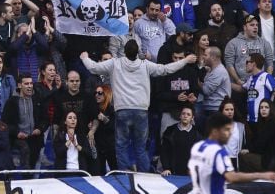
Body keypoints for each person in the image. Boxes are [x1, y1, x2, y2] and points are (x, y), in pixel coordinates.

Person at [80, 40, 197, 172]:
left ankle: (124, 175)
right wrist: (185, 60)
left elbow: (94, 67)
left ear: (124, 51)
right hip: (141, 111)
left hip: (122, 111)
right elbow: (166, 69)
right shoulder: (145, 64)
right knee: (140, 148)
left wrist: (85, 58)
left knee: (121, 146)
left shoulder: (115, 63)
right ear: (138, 53)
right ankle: (144, 176)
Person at [188, 113, 275, 193]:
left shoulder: (199, 146)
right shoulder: (218, 152)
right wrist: (262, 175)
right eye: (226, 130)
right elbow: (232, 177)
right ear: (215, 131)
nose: (230, 134)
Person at [160, 104, 201, 176]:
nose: (185, 116)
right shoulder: (170, 131)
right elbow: (164, 151)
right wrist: (166, 168)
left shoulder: (197, 133)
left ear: (192, 118)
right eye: (183, 114)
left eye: (188, 114)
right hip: (172, 172)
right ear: (180, 116)